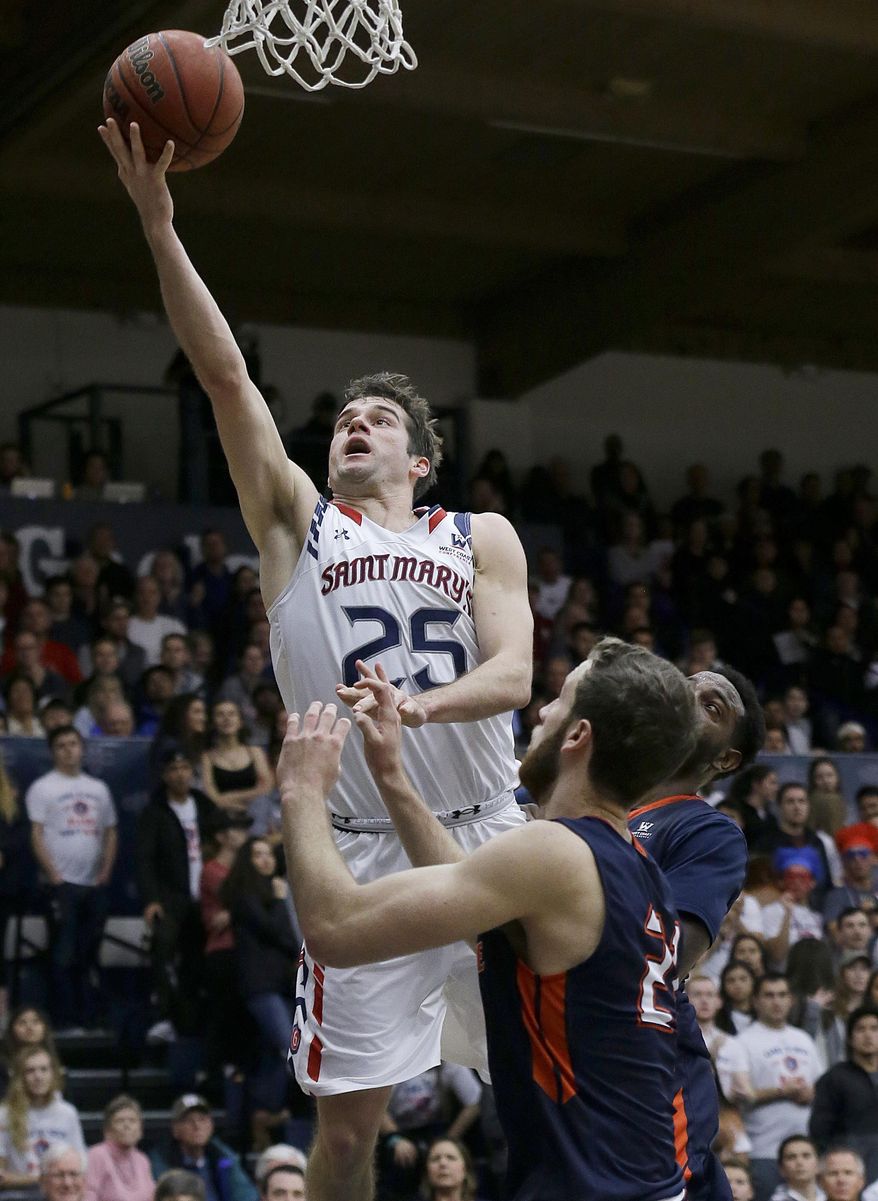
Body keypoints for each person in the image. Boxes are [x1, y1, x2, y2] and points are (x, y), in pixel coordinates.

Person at [99, 117, 534, 1201]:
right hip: (360, 852)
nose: (354, 422)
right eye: (344, 415)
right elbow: (224, 376)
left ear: (420, 460)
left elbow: (517, 675)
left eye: (379, 418)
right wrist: (159, 224)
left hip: (487, 832)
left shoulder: (476, 535)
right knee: (343, 1137)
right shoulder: (298, 522)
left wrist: (415, 714)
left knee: (546, 1096)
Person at [277, 638, 699, 1201]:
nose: (541, 711)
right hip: (637, 1180)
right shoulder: (629, 864)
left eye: (560, 701)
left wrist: (302, 792)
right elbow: (474, 894)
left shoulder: (552, 853)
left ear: (578, 737)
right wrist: (392, 776)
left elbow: (335, 930)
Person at [627, 663, 764, 1200]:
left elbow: (671, 955)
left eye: (712, 706)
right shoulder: (577, 796)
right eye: (685, 686)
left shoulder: (705, 829)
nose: (687, 698)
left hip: (652, 1067)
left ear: (724, 759)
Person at [25, 726, 118, 1029]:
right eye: (61, 745)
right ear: (53, 751)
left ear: (82, 748)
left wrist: (105, 871)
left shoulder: (98, 788)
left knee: (89, 951)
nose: (68, 750)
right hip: (61, 884)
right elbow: (36, 833)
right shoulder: (43, 787)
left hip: (94, 884)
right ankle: (64, 1018)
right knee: (63, 953)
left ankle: (91, 1015)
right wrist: (53, 874)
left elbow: (110, 831)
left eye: (73, 744)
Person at [220, 837, 299, 1144]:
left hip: (281, 986)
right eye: (257, 855)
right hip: (260, 987)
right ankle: (274, 1114)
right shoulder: (244, 894)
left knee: (272, 1055)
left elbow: (291, 939)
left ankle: (262, 1117)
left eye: (268, 854)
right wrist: (280, 901)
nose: (266, 860)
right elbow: (274, 931)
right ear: (246, 861)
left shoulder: (273, 892)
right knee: (290, 1049)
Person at [135, 746, 217, 1041]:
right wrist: (151, 899)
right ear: (164, 775)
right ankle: (166, 1015)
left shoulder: (205, 805)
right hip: (171, 898)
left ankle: (195, 1020)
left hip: (204, 897)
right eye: (173, 769)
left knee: (199, 960)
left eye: (184, 768)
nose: (180, 774)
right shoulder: (154, 812)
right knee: (164, 953)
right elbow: (144, 859)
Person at [719, 973, 822, 1201]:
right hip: (763, 1149)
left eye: (782, 995)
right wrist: (781, 1092)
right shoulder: (742, 1042)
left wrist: (810, 1093)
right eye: (769, 995)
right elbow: (737, 1096)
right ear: (755, 1000)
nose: (777, 1001)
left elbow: (819, 1086)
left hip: (804, 1149)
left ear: (791, 1000)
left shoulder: (803, 1039)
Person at [0, 1046, 85, 1189]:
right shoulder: (3, 1115)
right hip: (20, 1195)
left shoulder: (68, 1113)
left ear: (53, 1074)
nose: (38, 1076)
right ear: (19, 1077)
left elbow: (81, 1165)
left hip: (62, 1193)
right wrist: (39, 1180)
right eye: (30, 1071)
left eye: (44, 1069)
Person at [809, 1007, 878, 1181]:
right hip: (851, 1166)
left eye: (874, 1029)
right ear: (850, 1038)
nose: (868, 1035)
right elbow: (820, 1130)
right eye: (861, 1029)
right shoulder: (834, 1078)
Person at [147, 1094, 257, 1201]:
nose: (197, 1126)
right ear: (175, 1129)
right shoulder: (161, 1161)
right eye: (189, 1120)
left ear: (211, 1125)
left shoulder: (223, 1156)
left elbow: (246, 1195)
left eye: (202, 1119)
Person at [201, 701, 273, 814]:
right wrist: (252, 793)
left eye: (231, 714)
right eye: (220, 714)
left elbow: (266, 787)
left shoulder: (255, 752)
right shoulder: (207, 758)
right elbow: (213, 797)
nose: (226, 718)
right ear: (213, 723)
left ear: (240, 722)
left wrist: (230, 796)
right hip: (223, 817)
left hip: (258, 814)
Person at [84, 1094, 154, 1201]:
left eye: (132, 1120)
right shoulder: (97, 1155)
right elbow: (89, 1195)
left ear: (140, 1129)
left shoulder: (142, 1160)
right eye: (120, 1121)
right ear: (107, 1129)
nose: (127, 1125)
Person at [771, 1135, 824, 1201]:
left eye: (806, 1156)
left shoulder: (832, 1195)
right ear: (782, 1169)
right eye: (791, 1157)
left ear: (818, 1165)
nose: (799, 1162)